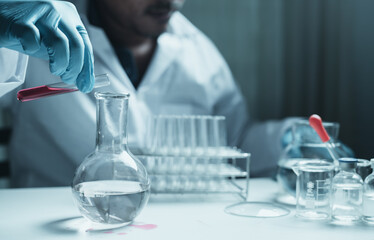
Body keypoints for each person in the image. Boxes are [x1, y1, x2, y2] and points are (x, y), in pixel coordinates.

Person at [0, 0, 350, 187]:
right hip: (52, 219)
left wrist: (286, 139)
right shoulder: (36, 32)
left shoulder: (197, 49)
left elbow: (235, 139)